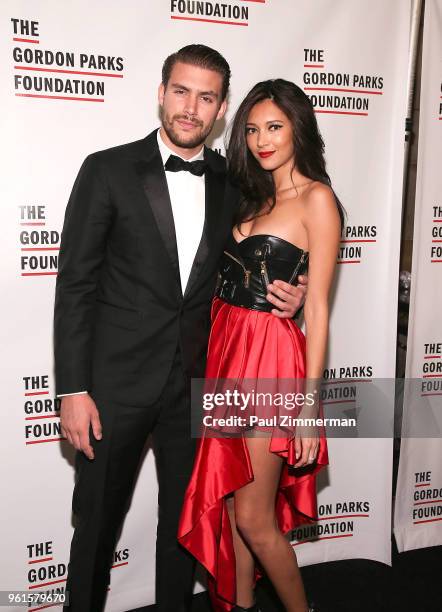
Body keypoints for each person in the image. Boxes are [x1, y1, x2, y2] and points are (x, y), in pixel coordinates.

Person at [54, 46, 307, 612]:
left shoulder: (233, 182)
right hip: (112, 389)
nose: (192, 107)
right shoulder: (108, 169)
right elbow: (75, 286)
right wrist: (73, 390)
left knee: (185, 529)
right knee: (94, 530)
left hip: (198, 385)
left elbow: (272, 243)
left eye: (208, 96)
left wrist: (298, 289)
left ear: (220, 110)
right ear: (161, 93)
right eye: (182, 91)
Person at [178, 79, 345, 612]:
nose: (261, 140)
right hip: (228, 350)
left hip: (270, 358)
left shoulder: (317, 199)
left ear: (299, 126)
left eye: (274, 127)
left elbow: (316, 308)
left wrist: (307, 405)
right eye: (251, 129)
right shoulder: (251, 194)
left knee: (253, 516)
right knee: (230, 505)